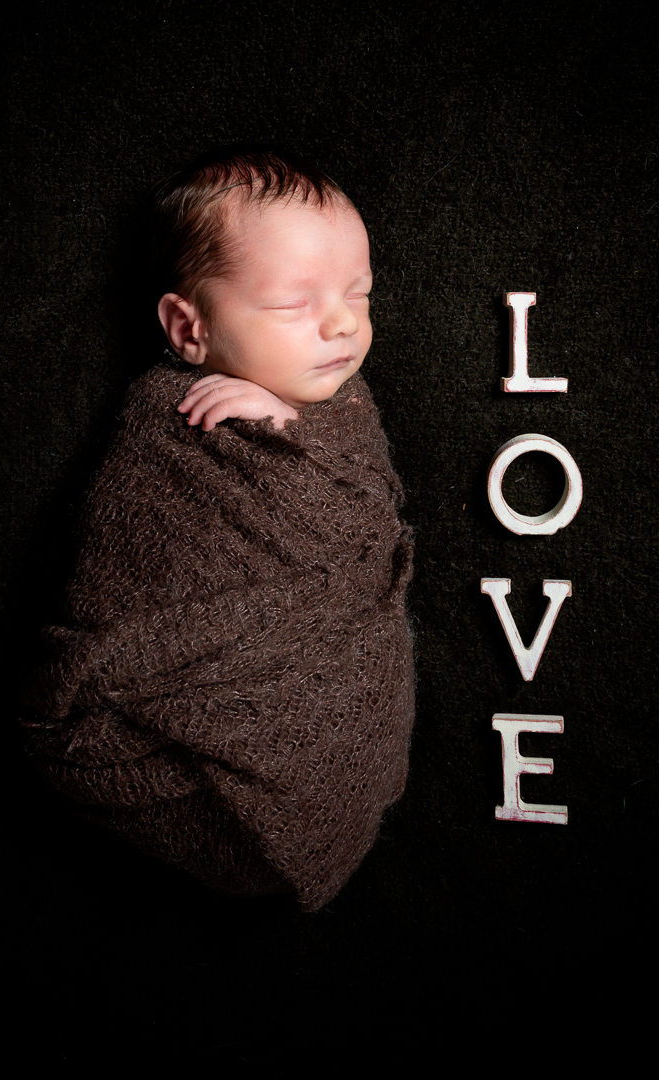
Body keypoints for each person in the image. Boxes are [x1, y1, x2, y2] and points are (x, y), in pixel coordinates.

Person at [22, 148, 415, 912]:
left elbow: (369, 517)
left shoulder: (345, 410)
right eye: (292, 305)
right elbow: (130, 559)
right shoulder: (167, 426)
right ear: (189, 328)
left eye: (358, 295)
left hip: (337, 700)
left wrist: (291, 432)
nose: (341, 324)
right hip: (188, 713)